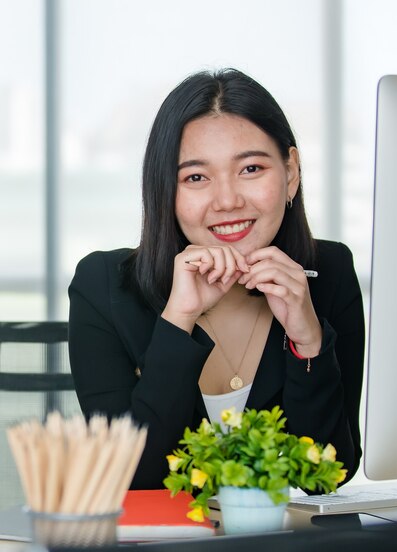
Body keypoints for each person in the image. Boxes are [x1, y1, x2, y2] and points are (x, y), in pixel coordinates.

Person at [68, 68, 365, 490]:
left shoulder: (328, 272)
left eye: (251, 169)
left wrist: (308, 342)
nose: (227, 201)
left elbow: (328, 476)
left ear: (291, 173)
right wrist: (178, 319)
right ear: (163, 191)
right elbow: (127, 479)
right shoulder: (102, 287)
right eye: (195, 177)